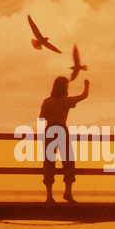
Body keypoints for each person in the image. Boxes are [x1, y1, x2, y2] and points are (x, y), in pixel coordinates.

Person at [40, 76, 90, 204]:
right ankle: (67, 192)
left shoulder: (47, 101)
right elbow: (84, 96)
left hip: (50, 130)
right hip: (61, 129)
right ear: (65, 88)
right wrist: (86, 85)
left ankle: (49, 196)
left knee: (49, 163)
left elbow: (42, 117)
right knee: (68, 162)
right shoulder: (67, 101)